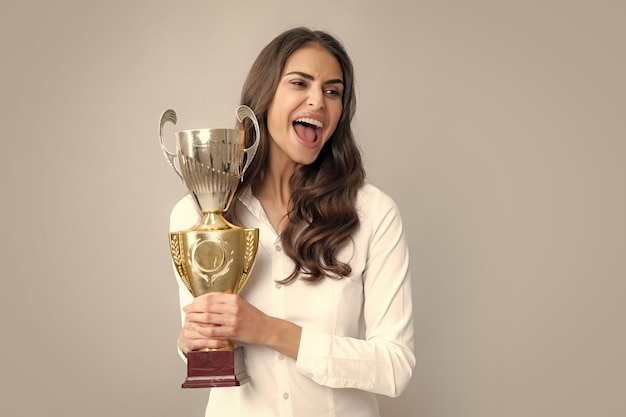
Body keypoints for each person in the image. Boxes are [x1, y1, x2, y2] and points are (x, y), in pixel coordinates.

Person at [170, 26, 415, 417]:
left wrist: (269, 330)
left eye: (333, 91)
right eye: (300, 83)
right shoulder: (197, 214)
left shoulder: (373, 213)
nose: (317, 100)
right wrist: (191, 341)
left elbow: (395, 367)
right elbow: (203, 351)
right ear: (264, 97)